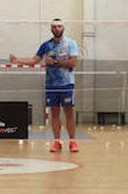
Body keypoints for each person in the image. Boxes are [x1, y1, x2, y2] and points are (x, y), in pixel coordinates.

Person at [9, 19, 80, 152]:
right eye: (54, 27)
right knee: (54, 112)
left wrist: (55, 62)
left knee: (69, 112)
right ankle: (57, 141)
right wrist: (18, 60)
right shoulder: (46, 45)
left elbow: (73, 62)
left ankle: (72, 141)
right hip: (51, 84)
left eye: (59, 26)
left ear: (63, 28)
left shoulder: (71, 43)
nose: (57, 29)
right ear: (51, 29)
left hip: (67, 84)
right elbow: (33, 60)